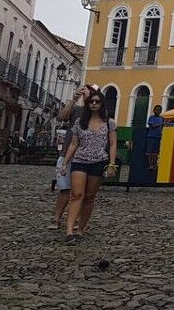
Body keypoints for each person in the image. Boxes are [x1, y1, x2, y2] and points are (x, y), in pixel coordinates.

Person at [60, 89, 117, 244]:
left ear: (102, 104)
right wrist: (65, 163)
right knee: (77, 195)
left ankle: (81, 229)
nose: (94, 104)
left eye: (97, 101)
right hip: (80, 160)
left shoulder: (109, 123)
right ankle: (69, 231)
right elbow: (73, 144)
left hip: (99, 161)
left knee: (90, 197)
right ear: (87, 104)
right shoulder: (80, 122)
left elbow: (112, 144)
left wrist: (112, 164)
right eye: (91, 101)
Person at [50, 124, 74, 230]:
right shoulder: (76, 110)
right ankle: (57, 217)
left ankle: (76, 219)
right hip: (67, 153)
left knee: (82, 192)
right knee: (64, 188)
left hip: (87, 156)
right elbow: (62, 116)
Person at [145, 105, 164, 170]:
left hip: (158, 137)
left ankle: (155, 165)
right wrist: (161, 124)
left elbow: (163, 127)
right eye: (156, 110)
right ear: (153, 110)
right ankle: (150, 164)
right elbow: (152, 126)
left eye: (159, 110)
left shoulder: (161, 118)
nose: (157, 111)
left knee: (155, 153)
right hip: (151, 136)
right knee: (149, 152)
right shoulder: (151, 118)